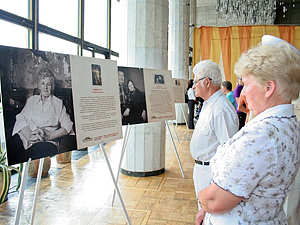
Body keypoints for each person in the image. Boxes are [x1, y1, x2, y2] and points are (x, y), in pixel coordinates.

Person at [197, 35, 300, 225]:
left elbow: (215, 200)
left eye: (245, 84)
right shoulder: (289, 123)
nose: (241, 93)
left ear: (269, 87)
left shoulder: (261, 135)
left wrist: (202, 199)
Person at [190, 60, 239, 210]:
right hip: (202, 171)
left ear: (207, 82)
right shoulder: (209, 104)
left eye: (196, 82)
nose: (193, 86)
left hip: (211, 176)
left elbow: (229, 155)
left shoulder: (221, 109)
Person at [7, 68, 76, 165]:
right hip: (27, 138)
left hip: (46, 142)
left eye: (48, 84)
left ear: (52, 86)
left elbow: (68, 125)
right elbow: (21, 118)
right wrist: (29, 134)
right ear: (39, 85)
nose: (45, 87)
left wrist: (49, 136)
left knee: (27, 157)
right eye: (43, 83)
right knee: (10, 146)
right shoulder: (32, 100)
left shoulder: (58, 103)